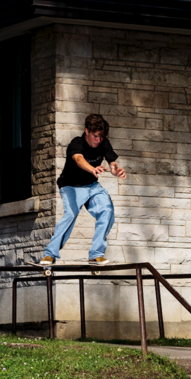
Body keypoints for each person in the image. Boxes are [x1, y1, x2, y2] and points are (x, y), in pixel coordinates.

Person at [39, 114, 126, 266]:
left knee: (107, 210)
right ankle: (50, 254)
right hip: (71, 186)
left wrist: (115, 171)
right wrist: (92, 169)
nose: (98, 140)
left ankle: (95, 255)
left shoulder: (104, 143)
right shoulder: (76, 144)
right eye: (95, 136)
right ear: (86, 131)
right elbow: (79, 159)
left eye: (100, 137)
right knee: (71, 214)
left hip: (91, 186)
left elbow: (112, 163)